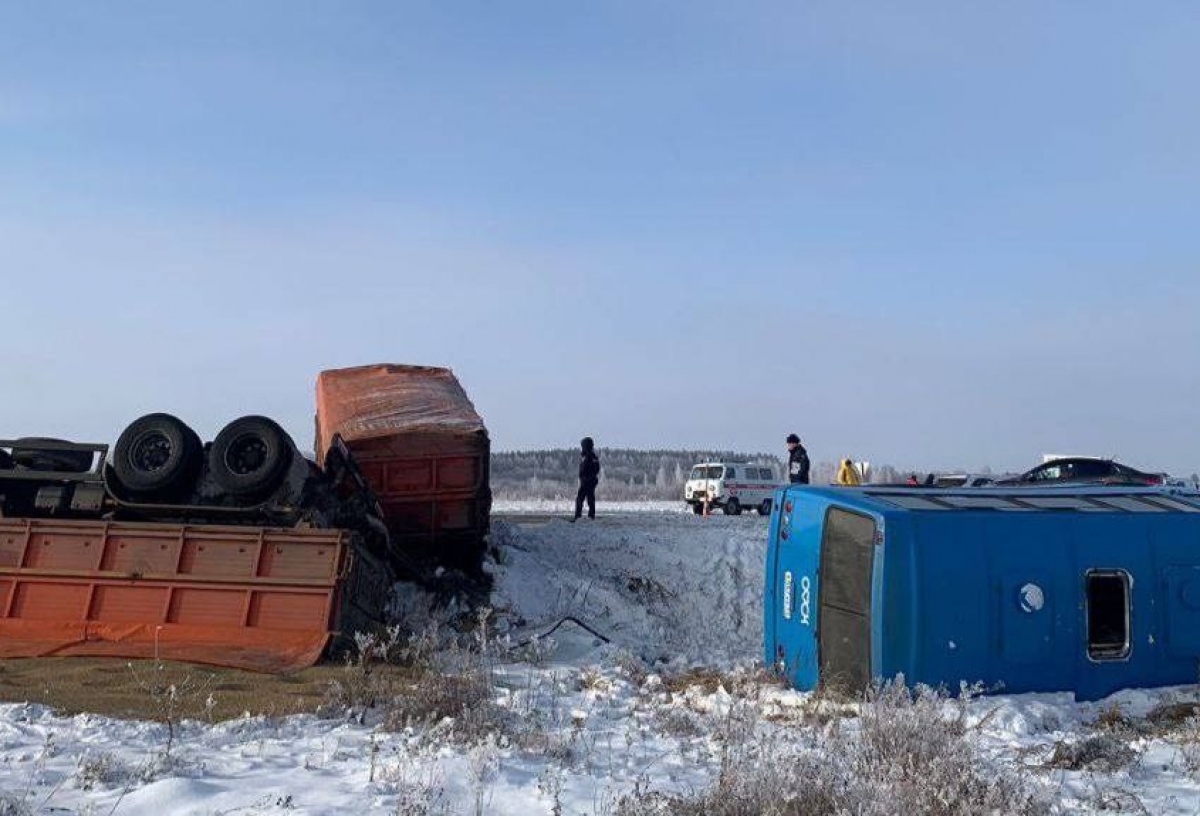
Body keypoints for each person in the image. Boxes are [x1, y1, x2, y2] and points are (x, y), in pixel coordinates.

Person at [573, 437, 601, 521]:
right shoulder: (589, 456)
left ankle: (579, 517)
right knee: (589, 499)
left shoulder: (590, 456)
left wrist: (587, 477)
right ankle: (590, 517)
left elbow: (596, 469)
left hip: (587, 481)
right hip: (588, 481)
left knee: (581, 499)